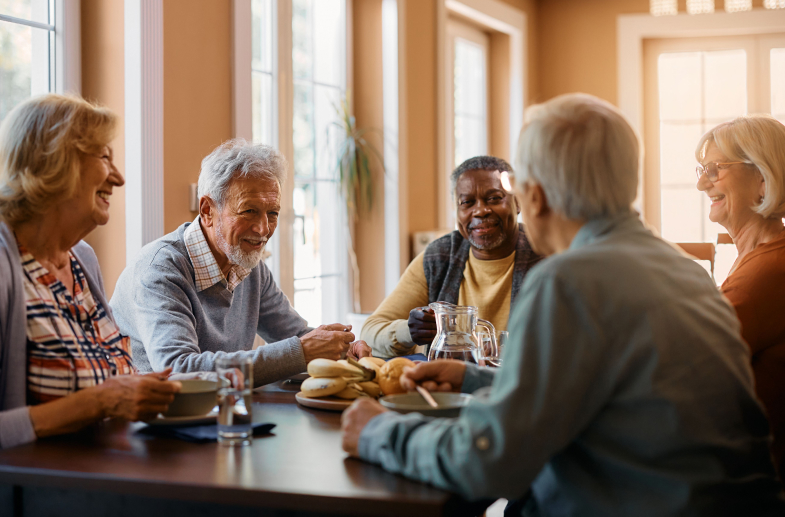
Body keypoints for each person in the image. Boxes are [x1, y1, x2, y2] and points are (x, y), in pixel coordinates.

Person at [342, 93, 785, 516]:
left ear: (532, 197)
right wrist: (474, 377)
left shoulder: (567, 282)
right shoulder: (686, 270)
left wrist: (377, 431)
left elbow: (492, 460)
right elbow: (615, 397)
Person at [0, 94, 181, 449]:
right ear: (55, 162)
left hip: (104, 477)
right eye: (104, 157)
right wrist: (99, 402)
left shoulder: (82, 258)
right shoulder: (5, 264)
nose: (119, 177)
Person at [111, 139, 370, 388]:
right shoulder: (160, 271)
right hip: (150, 424)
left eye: (273, 213)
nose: (263, 229)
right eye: (249, 211)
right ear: (207, 211)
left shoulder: (248, 264)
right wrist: (301, 351)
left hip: (223, 413)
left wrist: (342, 348)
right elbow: (179, 370)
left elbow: (296, 335)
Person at [695, 116, 785, 509]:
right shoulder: (767, 256)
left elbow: (688, 372)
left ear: (762, 179)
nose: (703, 183)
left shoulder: (766, 273)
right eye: (703, 171)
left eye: (715, 170)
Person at [360, 156, 541, 358]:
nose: (480, 210)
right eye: (467, 202)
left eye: (494, 198)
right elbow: (369, 334)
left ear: (517, 202)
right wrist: (409, 332)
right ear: (457, 211)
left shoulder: (546, 253)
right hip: (448, 386)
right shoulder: (439, 257)